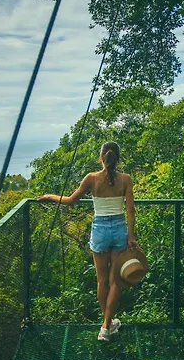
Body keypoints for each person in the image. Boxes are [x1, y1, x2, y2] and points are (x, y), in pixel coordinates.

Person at [37, 141, 140, 342]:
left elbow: (70, 200)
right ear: (117, 158)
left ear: (101, 157)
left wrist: (49, 196)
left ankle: (106, 325)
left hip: (100, 230)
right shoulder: (126, 179)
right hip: (119, 229)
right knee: (116, 281)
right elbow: (130, 210)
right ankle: (107, 325)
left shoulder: (91, 178)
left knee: (101, 281)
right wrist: (131, 236)